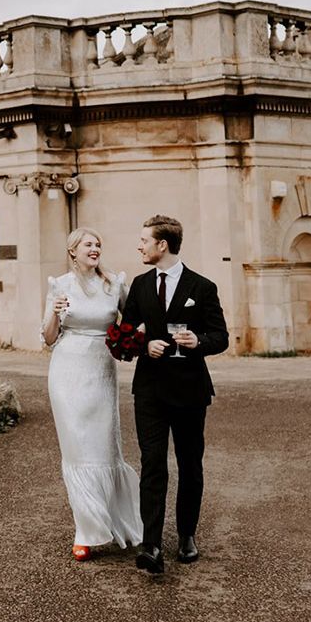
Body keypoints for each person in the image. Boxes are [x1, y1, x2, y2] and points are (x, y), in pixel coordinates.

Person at [121, 215, 229, 574]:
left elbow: (221, 336)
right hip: (149, 390)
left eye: (143, 240)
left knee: (189, 464)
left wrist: (199, 342)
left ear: (162, 245)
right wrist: (142, 344)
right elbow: (123, 333)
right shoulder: (138, 286)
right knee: (153, 464)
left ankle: (186, 535)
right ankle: (151, 545)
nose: (139, 246)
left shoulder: (203, 287)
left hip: (190, 390)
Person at [41, 227, 144, 561]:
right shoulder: (59, 285)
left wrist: (131, 340)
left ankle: (116, 521)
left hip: (100, 369)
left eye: (98, 244)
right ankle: (84, 531)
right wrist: (55, 313)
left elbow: (133, 321)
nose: (95, 248)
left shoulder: (114, 284)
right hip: (67, 369)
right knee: (76, 449)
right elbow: (47, 336)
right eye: (88, 244)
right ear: (73, 251)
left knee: (103, 447)